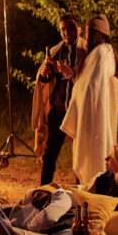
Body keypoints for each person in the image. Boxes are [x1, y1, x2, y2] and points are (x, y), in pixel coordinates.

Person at [60, 14, 118, 186]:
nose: (86, 37)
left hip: (95, 116)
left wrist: (79, 90)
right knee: (91, 158)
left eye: (87, 33)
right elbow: (88, 81)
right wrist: (75, 75)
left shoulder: (102, 52)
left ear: (95, 33)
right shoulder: (101, 52)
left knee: (93, 156)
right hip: (94, 112)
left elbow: (92, 87)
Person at [31, 14, 88, 185]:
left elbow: (90, 78)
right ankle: (44, 190)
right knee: (49, 155)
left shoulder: (86, 51)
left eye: (70, 28)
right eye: (63, 29)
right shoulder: (56, 51)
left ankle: (81, 191)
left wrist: (74, 73)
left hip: (78, 111)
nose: (66, 32)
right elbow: (47, 82)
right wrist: (45, 74)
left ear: (78, 29)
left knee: (80, 155)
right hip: (59, 110)